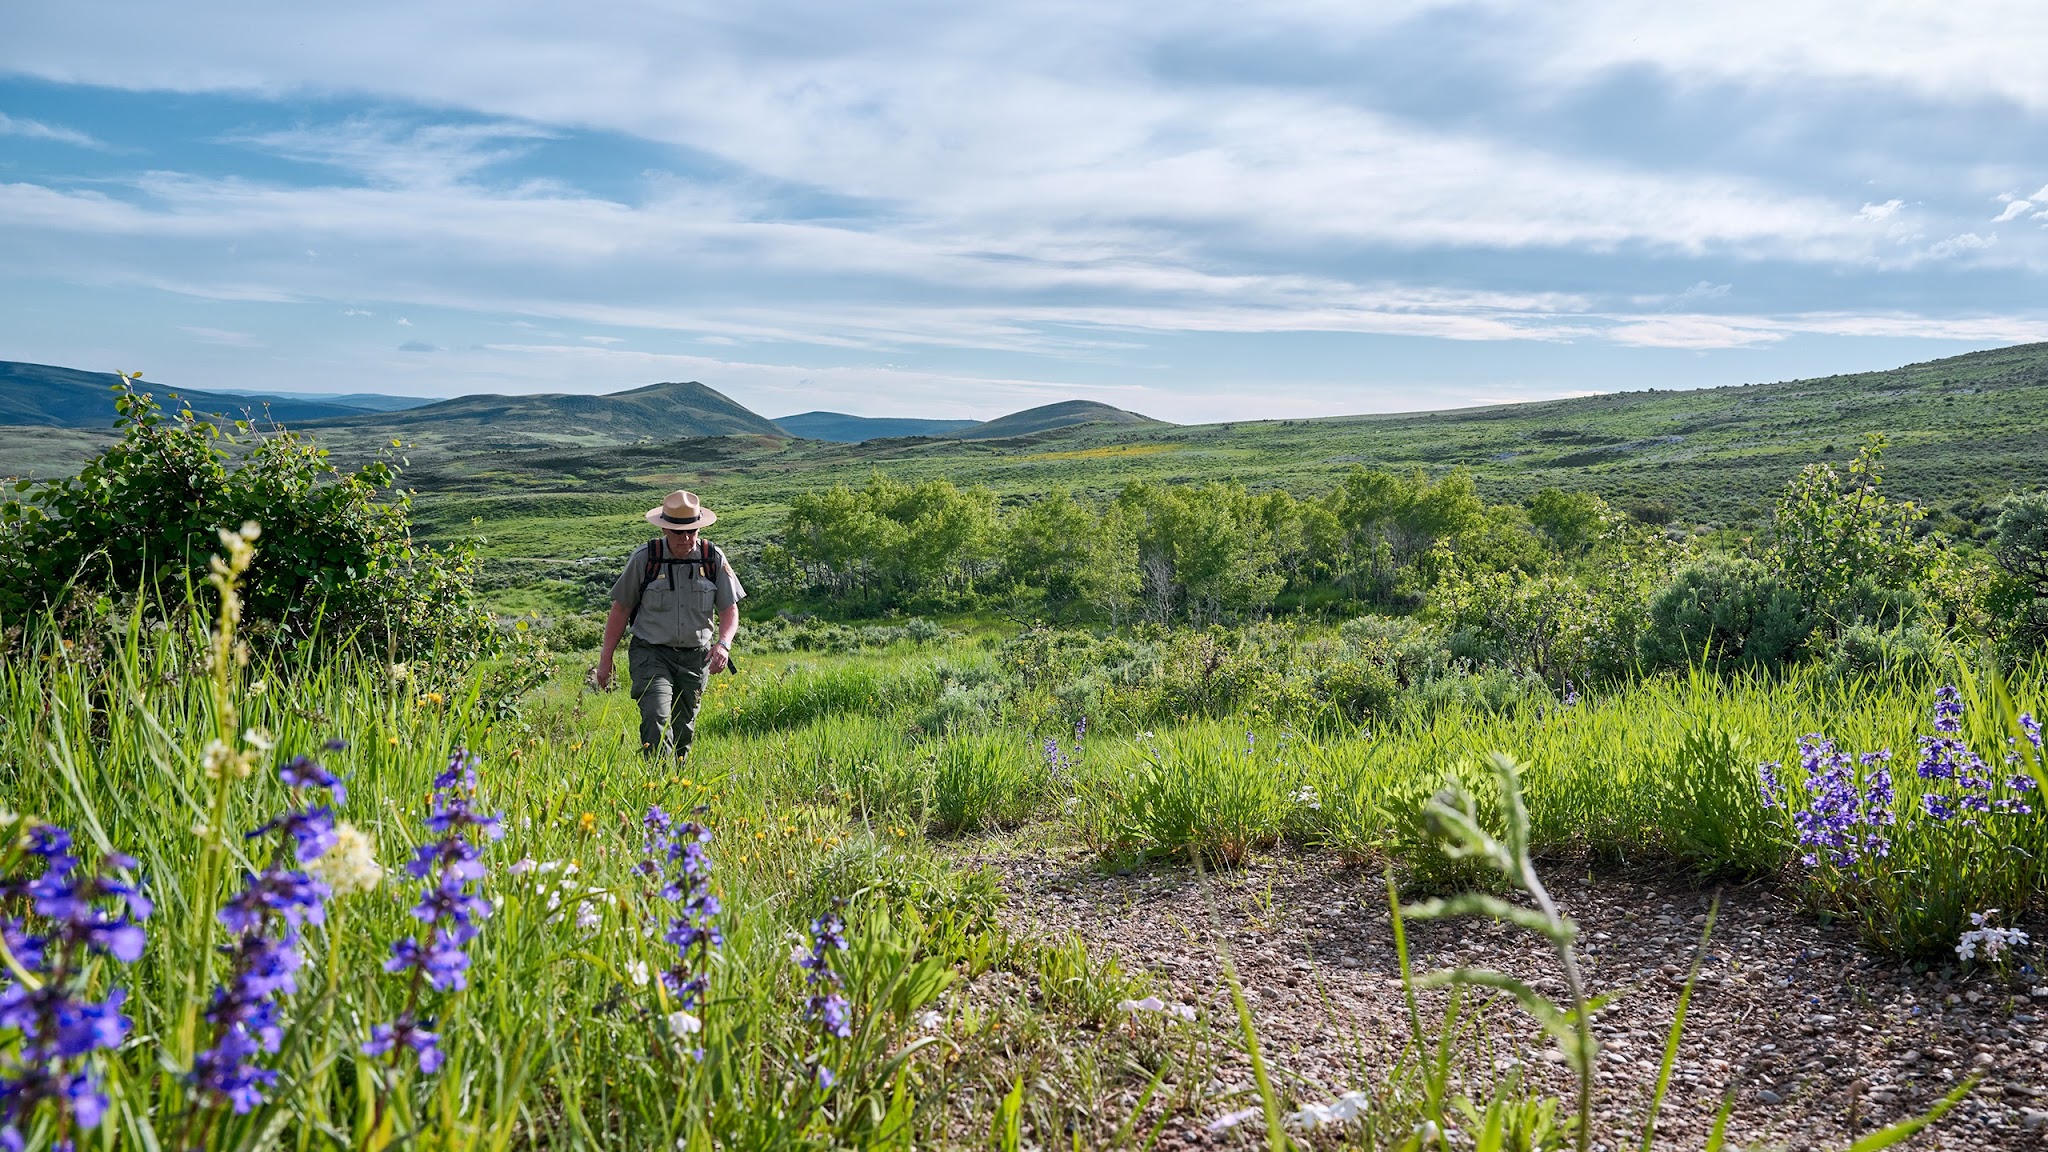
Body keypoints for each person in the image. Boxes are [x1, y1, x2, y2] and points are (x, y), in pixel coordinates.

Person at [594, 489, 744, 760]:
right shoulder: (645, 559)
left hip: (695, 657)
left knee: (684, 728)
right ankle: (657, 784)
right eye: (678, 532)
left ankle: (678, 784)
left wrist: (724, 644)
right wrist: (606, 658)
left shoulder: (713, 558)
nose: (686, 538)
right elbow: (621, 608)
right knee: (656, 715)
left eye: (692, 531)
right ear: (664, 528)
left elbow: (729, 608)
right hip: (651, 653)